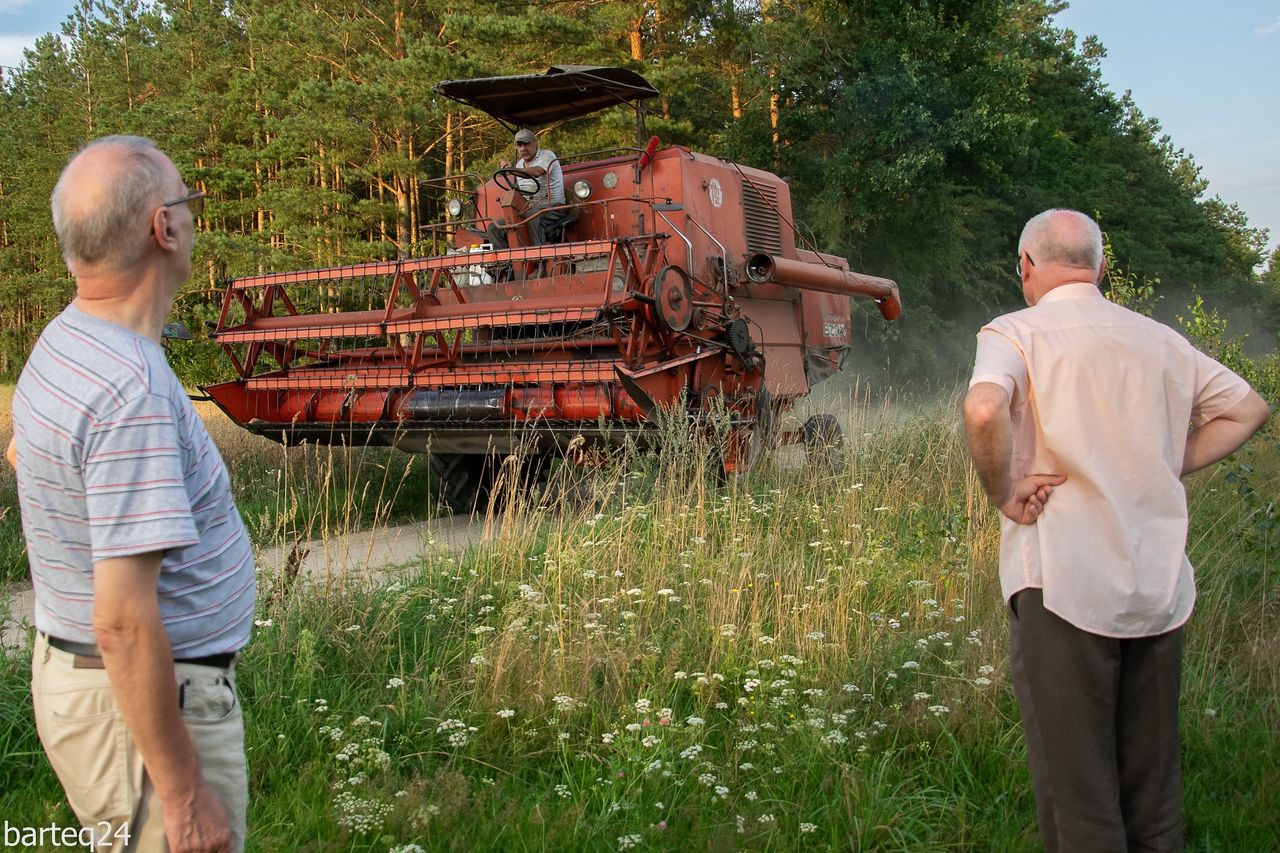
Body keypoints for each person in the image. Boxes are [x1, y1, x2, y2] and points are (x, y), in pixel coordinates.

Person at [962, 208, 1269, 852]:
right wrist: (1168, 459)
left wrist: (1003, 491)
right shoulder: (1159, 340)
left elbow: (985, 406)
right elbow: (1247, 407)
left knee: (1080, 795)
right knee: (1152, 786)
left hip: (1062, 585)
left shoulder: (1015, 333)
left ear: (1026, 265)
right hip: (1156, 586)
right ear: (1100, 267)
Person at [11, 135, 256, 852]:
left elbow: (30, 450)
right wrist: (181, 796)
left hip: (90, 687)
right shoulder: (132, 389)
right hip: (146, 704)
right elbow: (121, 619)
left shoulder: (62, 341)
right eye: (190, 202)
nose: (194, 219)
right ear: (165, 226)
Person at [486, 127, 568, 249]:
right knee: (495, 227)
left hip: (553, 206)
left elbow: (537, 171)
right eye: (519, 145)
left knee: (532, 215)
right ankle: (507, 265)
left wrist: (513, 170)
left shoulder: (547, 156)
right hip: (529, 209)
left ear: (535, 143)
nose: (523, 148)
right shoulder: (519, 164)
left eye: (526, 144)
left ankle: (538, 258)